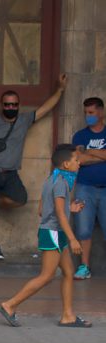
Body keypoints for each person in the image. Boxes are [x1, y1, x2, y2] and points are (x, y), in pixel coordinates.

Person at [0, 74, 67, 260]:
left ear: (18, 105)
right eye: (7, 104)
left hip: (10, 173)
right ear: (2, 105)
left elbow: (45, 108)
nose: (11, 108)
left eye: (14, 104)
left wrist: (60, 89)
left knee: (20, 198)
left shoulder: (24, 120)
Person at [0, 144, 92, 328]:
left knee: (68, 273)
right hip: (54, 233)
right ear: (66, 164)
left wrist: (69, 208)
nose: (79, 164)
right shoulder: (61, 183)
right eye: (76, 160)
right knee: (47, 276)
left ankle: (68, 316)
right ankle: (9, 305)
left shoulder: (53, 179)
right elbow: (58, 212)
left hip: (55, 232)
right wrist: (72, 238)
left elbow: (43, 210)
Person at [71, 97, 106, 280]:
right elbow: (79, 159)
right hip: (85, 188)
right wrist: (101, 155)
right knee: (83, 229)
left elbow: (85, 156)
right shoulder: (80, 136)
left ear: (101, 112)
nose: (88, 116)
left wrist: (88, 152)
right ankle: (84, 267)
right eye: (86, 113)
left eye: (91, 112)